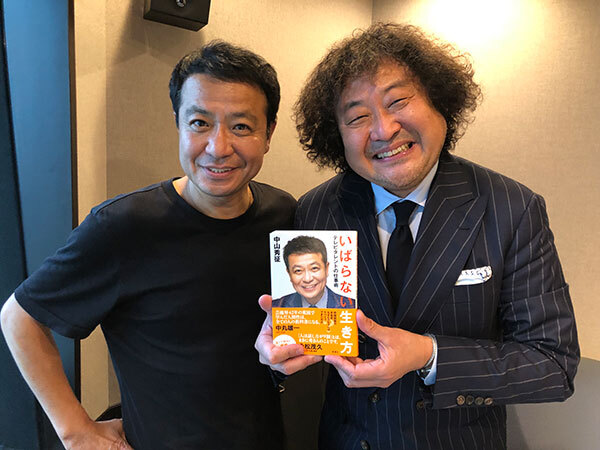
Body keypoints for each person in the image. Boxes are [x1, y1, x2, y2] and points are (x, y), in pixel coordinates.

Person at [256, 23, 579, 449]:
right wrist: (281, 349)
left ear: (440, 102)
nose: (383, 129)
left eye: (398, 101)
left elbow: (552, 365)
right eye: (357, 117)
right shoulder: (317, 209)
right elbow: (315, 334)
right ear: (337, 136)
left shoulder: (511, 208)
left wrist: (429, 355)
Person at [0, 41, 295, 450]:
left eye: (242, 127)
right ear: (178, 123)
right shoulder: (123, 226)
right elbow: (19, 317)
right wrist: (76, 431)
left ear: (268, 133)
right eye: (199, 123)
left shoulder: (285, 215)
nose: (218, 147)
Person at [273, 235, 355, 308]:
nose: (307, 279)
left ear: (326, 269)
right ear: (289, 273)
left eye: (314, 268)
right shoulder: (277, 307)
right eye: (298, 270)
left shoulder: (351, 306)